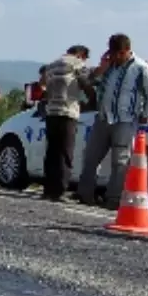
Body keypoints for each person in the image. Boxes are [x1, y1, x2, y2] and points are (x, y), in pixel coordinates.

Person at [78, 34, 148, 209]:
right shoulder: (109, 66)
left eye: (119, 54)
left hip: (125, 120)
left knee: (120, 161)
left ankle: (114, 199)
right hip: (103, 118)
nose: (116, 57)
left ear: (126, 51)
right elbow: (89, 81)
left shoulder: (140, 68)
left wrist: (146, 113)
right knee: (91, 157)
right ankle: (85, 194)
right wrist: (101, 68)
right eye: (113, 53)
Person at [41, 45, 99, 202]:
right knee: (65, 152)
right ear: (81, 55)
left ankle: (48, 189)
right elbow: (87, 82)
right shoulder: (76, 63)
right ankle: (60, 190)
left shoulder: (52, 65)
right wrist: (93, 100)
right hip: (68, 112)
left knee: (52, 151)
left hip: (51, 111)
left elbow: (44, 87)